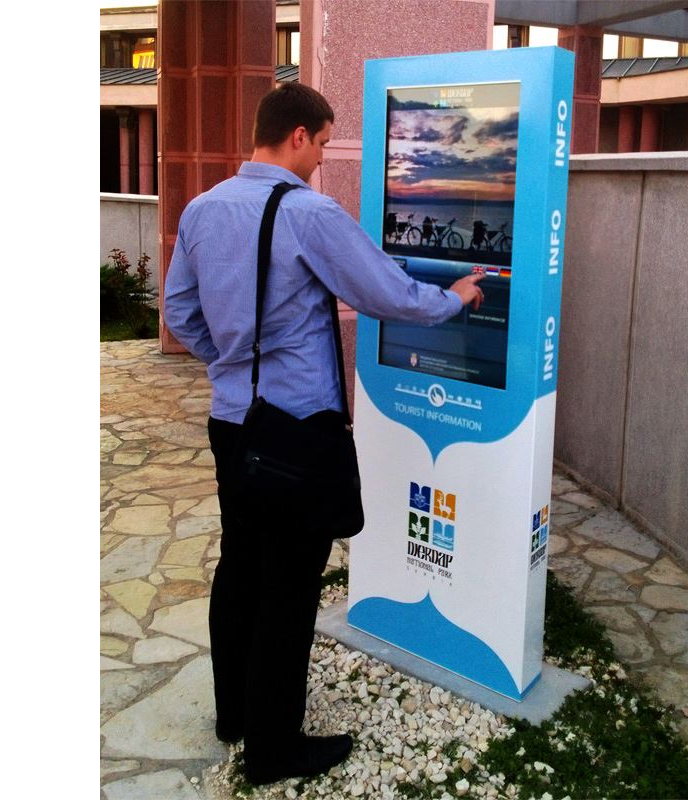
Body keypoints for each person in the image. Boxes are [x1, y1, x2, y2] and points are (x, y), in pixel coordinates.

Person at [163, 82, 485, 787]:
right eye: (324, 143)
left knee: (240, 567)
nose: (322, 158)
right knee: (288, 586)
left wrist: (231, 365)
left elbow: (179, 312)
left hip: (232, 424)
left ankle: (234, 715)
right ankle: (274, 749)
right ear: (299, 135)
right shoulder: (308, 213)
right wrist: (453, 298)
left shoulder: (202, 209)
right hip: (297, 432)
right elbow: (385, 293)